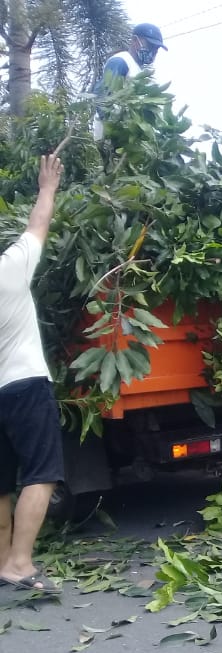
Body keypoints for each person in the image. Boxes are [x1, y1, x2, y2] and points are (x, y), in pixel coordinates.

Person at [0, 154, 65, 594]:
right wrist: (48, 187)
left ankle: (2, 561)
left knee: (1, 484)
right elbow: (38, 224)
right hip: (25, 384)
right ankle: (20, 563)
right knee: (41, 473)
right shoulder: (10, 269)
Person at [92, 23, 167, 140]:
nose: (153, 52)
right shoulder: (121, 61)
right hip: (110, 138)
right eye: (150, 46)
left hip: (128, 141)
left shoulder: (139, 71)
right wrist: (114, 125)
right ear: (135, 40)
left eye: (156, 49)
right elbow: (101, 95)